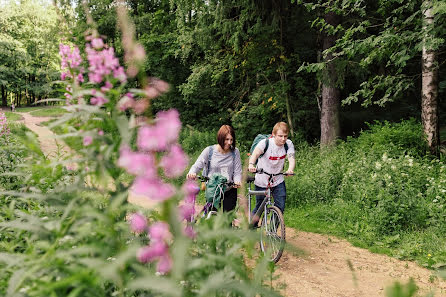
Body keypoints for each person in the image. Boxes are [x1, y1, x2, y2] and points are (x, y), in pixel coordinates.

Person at [248, 122, 295, 224]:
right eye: (280, 136)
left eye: (285, 136)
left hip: (278, 180)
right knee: (260, 206)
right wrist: (251, 165)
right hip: (261, 179)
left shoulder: (288, 144)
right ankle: (251, 228)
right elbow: (255, 154)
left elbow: (291, 158)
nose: (283, 139)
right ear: (273, 134)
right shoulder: (265, 143)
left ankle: (272, 233)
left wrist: (290, 169)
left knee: (280, 206)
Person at [187, 125, 242, 212]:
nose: (229, 143)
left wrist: (237, 181)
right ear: (220, 138)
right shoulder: (209, 151)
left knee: (227, 219)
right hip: (213, 189)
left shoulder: (235, 152)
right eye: (227, 139)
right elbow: (197, 165)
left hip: (229, 189)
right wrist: (192, 173)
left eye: (231, 140)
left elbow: (237, 171)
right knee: (212, 217)